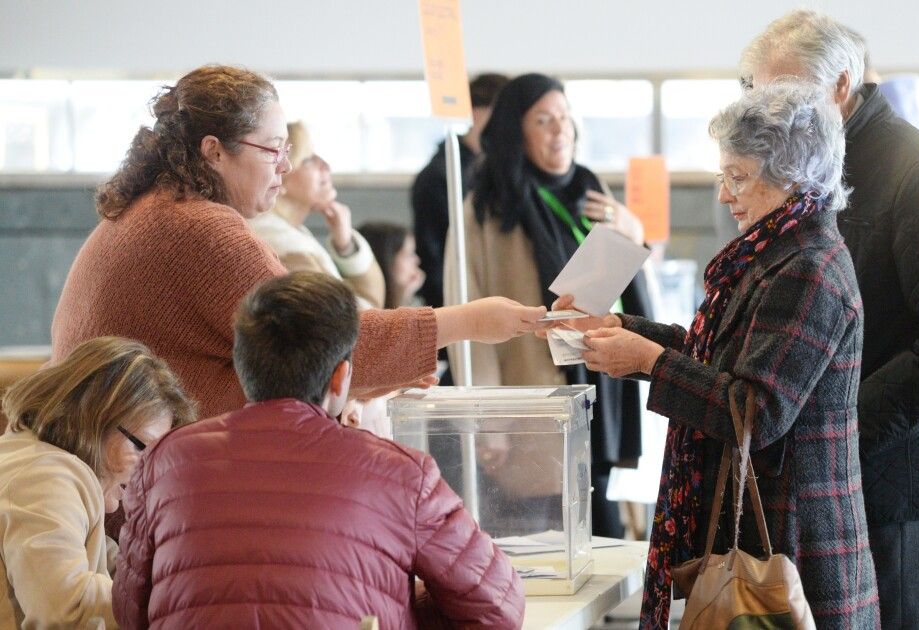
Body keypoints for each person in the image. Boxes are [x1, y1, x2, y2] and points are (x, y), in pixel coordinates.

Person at [50, 65, 547, 422]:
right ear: (214, 152)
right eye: (273, 151)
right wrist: (468, 320)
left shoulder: (155, 208)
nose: (286, 167)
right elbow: (311, 343)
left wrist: (369, 377)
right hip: (147, 483)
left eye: (289, 151)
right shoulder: (201, 229)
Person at [557, 82, 879, 629]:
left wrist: (649, 362)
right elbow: (719, 356)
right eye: (722, 177)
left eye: (739, 178)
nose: (725, 196)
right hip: (766, 524)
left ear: (793, 177)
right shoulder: (772, 249)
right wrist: (621, 328)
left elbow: (756, 410)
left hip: (793, 540)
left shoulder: (808, 267)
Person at [740, 11, 919, 629]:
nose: (766, 106)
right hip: (810, 474)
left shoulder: (914, 166)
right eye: (755, 89)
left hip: (894, 477)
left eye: (782, 89)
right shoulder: (797, 162)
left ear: (839, 86)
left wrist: (842, 432)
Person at [113, 271, 524, 629]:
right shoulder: (402, 474)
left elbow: (130, 611)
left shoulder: (165, 461)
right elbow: (499, 607)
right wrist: (398, 609)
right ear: (341, 376)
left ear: (243, 366)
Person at [444, 73, 651, 538]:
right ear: (516, 131)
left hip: (599, 381)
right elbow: (466, 315)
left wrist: (632, 233)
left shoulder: (590, 193)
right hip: (530, 398)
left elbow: (623, 287)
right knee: (544, 534)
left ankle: (603, 614)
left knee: (602, 521)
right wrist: (486, 419)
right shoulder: (487, 209)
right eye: (543, 120)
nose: (560, 130)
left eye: (564, 118)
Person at [1, 337, 194, 629]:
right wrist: (175, 599)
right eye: (143, 448)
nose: (150, 471)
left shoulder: (37, 462)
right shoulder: (43, 477)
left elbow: (111, 565)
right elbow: (65, 607)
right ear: (95, 418)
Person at [250, 120, 385, 309]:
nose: (325, 165)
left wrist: (345, 245)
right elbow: (358, 318)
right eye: (308, 159)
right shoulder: (282, 245)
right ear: (280, 174)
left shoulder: (289, 232)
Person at [412, 72, 509, 310]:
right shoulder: (442, 176)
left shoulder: (494, 171)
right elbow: (434, 260)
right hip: (457, 309)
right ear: (476, 113)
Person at [359, 221, 425, 308]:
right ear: (387, 260)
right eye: (408, 254)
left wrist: (405, 294)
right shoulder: (364, 306)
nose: (417, 260)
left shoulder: (414, 300)